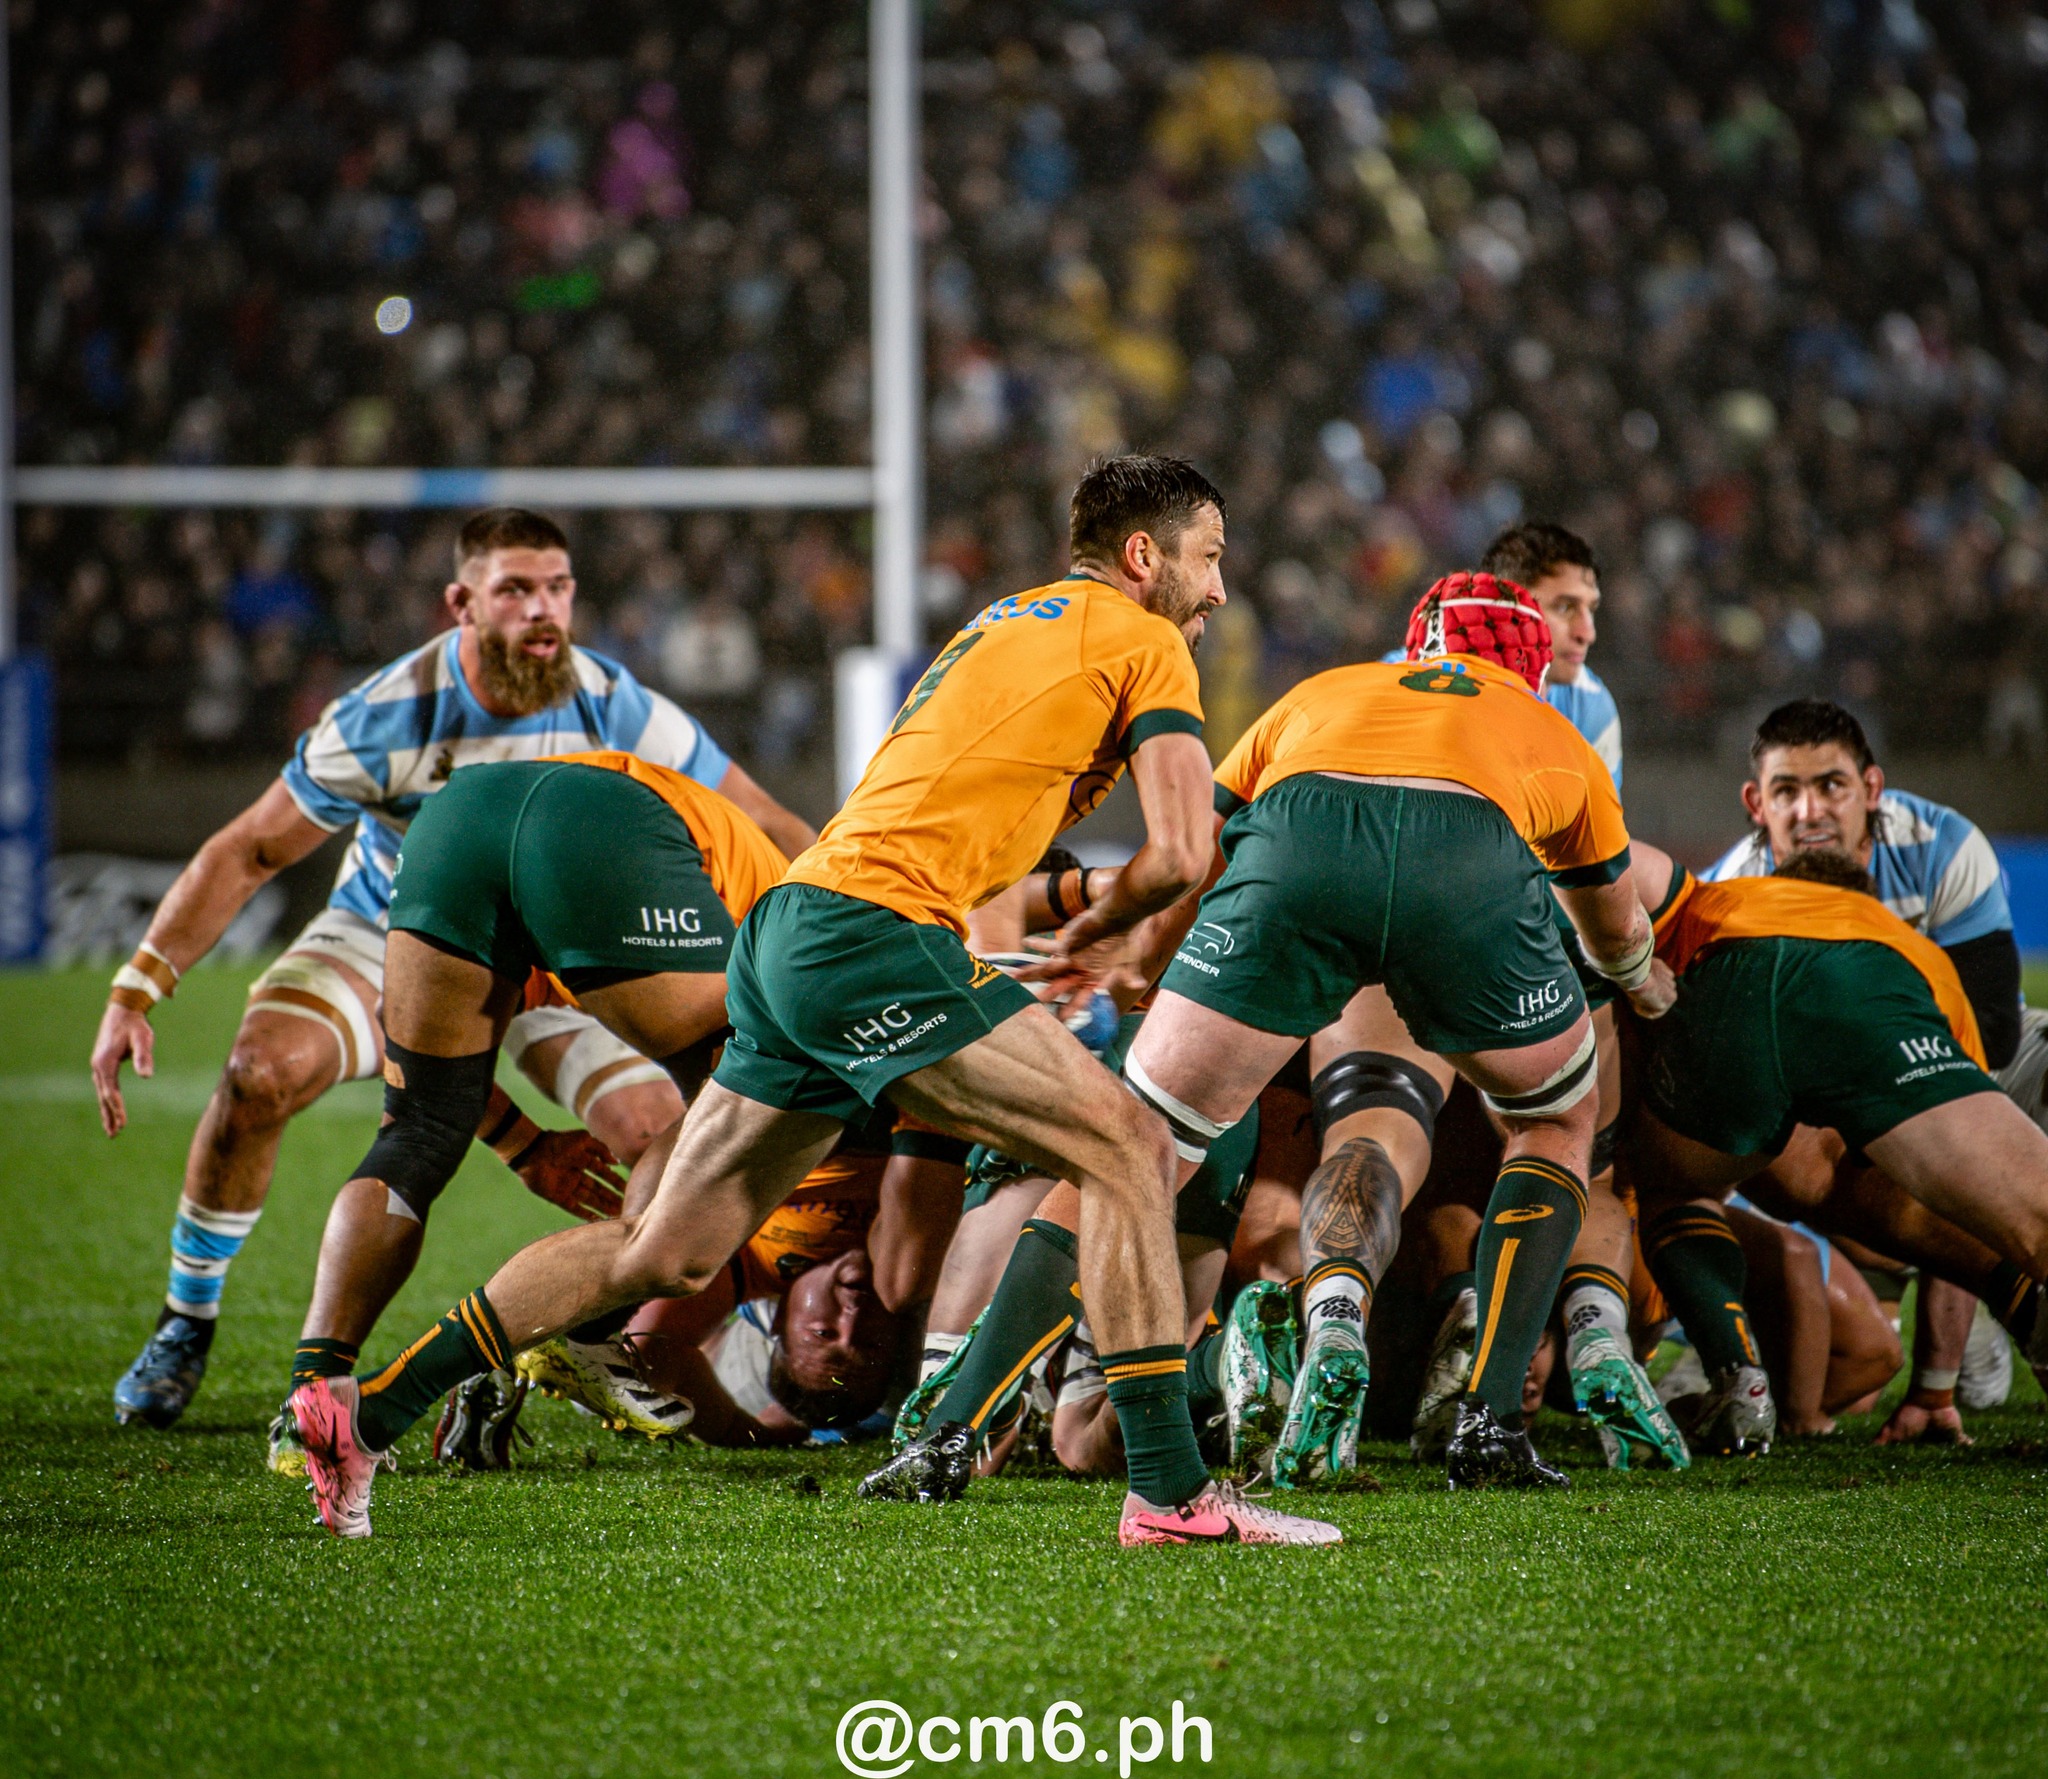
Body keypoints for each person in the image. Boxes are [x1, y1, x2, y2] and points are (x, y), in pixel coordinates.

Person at [289, 452, 1341, 1546]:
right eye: (1209, 558)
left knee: (662, 1252)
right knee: (1128, 1142)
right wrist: (1101, 926)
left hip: (795, 928)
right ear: (1145, 556)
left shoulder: (1008, 623)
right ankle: (1171, 1495)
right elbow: (1180, 853)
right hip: (870, 936)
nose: (1218, 589)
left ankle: (365, 1413)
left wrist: (1065, 912)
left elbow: (960, 825)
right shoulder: (1141, 640)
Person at [92, 508, 814, 1431]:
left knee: (662, 1132)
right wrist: (138, 986)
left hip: (562, 955)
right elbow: (252, 848)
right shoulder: (391, 712)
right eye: (514, 589)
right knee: (258, 1074)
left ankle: (597, 1335)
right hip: (395, 934)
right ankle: (187, 1321)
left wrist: (846, 922)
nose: (542, 609)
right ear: (461, 603)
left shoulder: (611, 698)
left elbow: (765, 818)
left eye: (557, 587)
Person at [1061, 572, 1677, 1491]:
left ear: (1419, 644)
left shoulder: (1328, 690)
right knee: (1563, 1128)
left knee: (1164, 1136)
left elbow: (1193, 846)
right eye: (1569, 612)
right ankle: (1519, 1387)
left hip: (1307, 881)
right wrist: (1642, 981)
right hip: (1479, 904)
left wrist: (1136, 954)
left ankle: (982, 1395)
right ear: (1537, 664)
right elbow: (1628, 915)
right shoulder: (1556, 728)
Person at [270, 749, 792, 1474]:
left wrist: (523, 1144)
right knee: (734, 1092)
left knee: (417, 1126)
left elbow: (404, 1022)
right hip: (607, 826)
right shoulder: (779, 912)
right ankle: (593, 1331)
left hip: (459, 813)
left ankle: (309, 1402)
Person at [1629, 843, 2048, 1454]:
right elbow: (1949, 1186)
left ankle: (1734, 1372)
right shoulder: (1915, 950)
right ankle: (2022, 1304)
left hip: (1739, 973)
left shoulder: (1726, 898)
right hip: (1877, 988)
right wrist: (1934, 1390)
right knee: (1930, 1199)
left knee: (1677, 1188)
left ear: (1780, 882)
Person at [1701, 697, 2022, 1433]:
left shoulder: (1942, 846)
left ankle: (1965, 1326)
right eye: (1787, 790)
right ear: (1756, 804)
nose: (1810, 810)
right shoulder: (1732, 894)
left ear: (1871, 788)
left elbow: (1992, 1040)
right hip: (1828, 1114)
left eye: (1831, 785)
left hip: (1960, 1065)